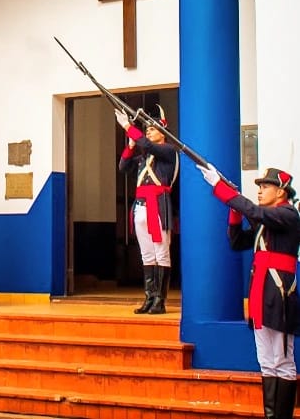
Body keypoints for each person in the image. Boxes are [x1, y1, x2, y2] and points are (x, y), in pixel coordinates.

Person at [197, 163, 300, 419]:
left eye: (266, 186)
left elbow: (253, 211)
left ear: (281, 191)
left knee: (283, 361)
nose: (261, 191)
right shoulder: (266, 219)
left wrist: (220, 188)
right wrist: (233, 210)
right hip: (261, 291)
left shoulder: (287, 214)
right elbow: (237, 241)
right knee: (266, 360)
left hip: (278, 292)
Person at [115, 106, 179, 314]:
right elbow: (123, 167)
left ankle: (160, 300)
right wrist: (131, 145)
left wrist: (127, 126)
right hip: (141, 207)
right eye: (147, 129)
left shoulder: (169, 151)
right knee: (146, 255)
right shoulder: (144, 158)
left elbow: (148, 146)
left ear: (163, 133)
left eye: (152, 129)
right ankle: (149, 297)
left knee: (161, 253)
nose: (148, 132)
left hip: (157, 207)